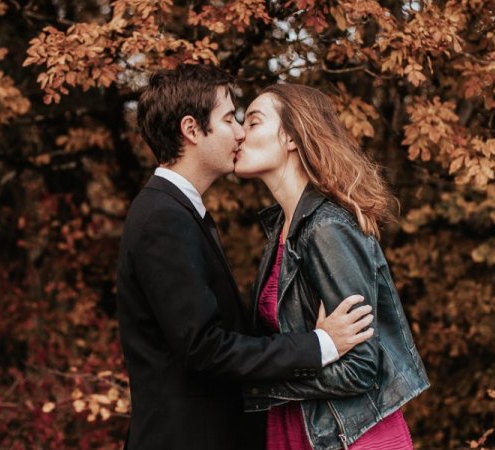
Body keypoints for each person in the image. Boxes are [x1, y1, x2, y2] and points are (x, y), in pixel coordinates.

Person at [116, 64, 376, 450]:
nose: (238, 132)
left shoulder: (176, 211)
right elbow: (205, 349)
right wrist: (320, 344)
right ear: (191, 130)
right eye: (228, 119)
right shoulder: (163, 217)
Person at [235, 83, 430, 450]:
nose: (240, 134)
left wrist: (257, 385)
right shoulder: (282, 229)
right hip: (301, 427)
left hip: (350, 437)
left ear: (292, 137)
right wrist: (316, 345)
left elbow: (361, 368)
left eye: (254, 121)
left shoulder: (327, 228)